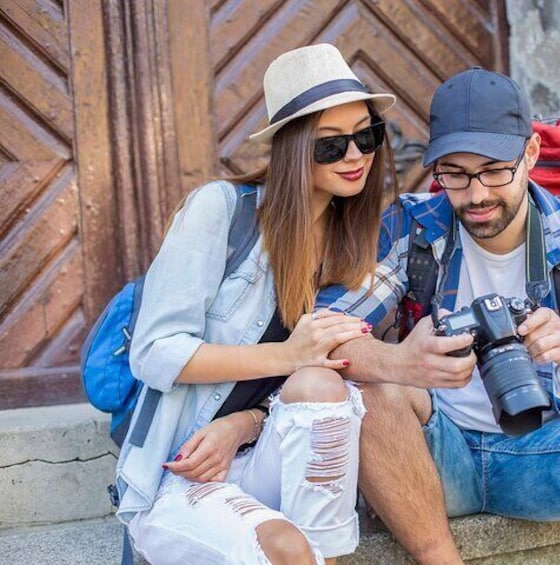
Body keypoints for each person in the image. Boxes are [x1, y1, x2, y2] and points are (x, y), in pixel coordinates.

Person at [317, 68, 560, 564]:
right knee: (370, 390)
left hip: (549, 450)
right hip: (435, 457)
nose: (477, 193)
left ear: (529, 154)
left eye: (494, 169)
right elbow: (323, 335)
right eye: (455, 174)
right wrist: (403, 362)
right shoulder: (412, 227)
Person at [113, 43, 396, 565]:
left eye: (367, 135)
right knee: (288, 549)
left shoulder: (351, 243)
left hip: (266, 451)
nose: (356, 156)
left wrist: (247, 423)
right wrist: (287, 355)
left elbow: (320, 388)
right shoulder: (221, 211)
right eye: (331, 145)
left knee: (323, 385)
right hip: (180, 469)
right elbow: (154, 352)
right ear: (291, 147)